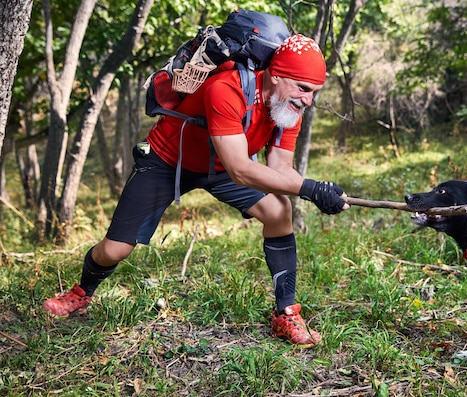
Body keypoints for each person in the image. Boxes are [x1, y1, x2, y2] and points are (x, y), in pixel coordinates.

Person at [43, 34, 349, 348]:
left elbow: (280, 167)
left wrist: (314, 189)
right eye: (303, 89)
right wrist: (308, 189)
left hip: (220, 167)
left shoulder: (286, 107)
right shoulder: (226, 87)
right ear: (276, 76)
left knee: (279, 210)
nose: (308, 100)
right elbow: (241, 169)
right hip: (168, 161)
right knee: (114, 250)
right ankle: (81, 293)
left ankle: (285, 313)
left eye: (314, 92)